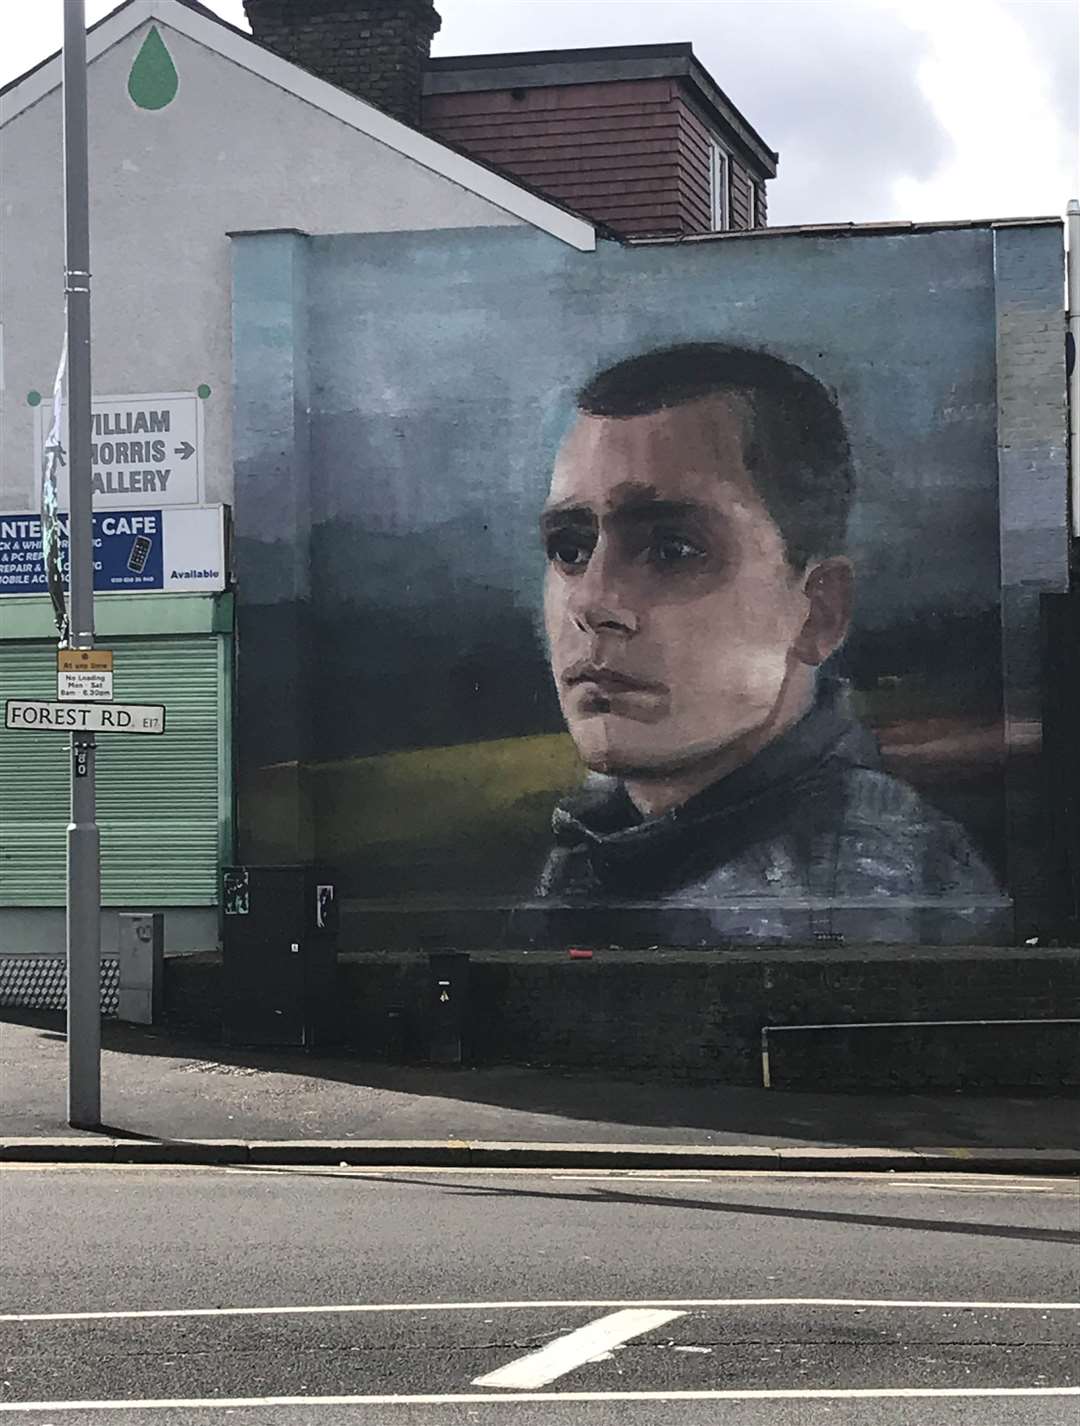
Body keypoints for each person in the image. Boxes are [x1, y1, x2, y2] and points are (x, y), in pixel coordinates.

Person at [534, 342, 1000, 937]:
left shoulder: (884, 900)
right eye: (569, 549)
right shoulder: (597, 841)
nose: (592, 602)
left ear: (818, 613)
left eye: (672, 549)